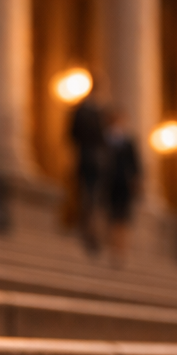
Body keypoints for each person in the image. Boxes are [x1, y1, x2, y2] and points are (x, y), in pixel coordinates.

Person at [69, 89, 107, 255]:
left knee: (92, 197)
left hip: (92, 162)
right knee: (88, 196)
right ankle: (88, 232)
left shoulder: (99, 112)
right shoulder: (88, 112)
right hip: (88, 161)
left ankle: (92, 233)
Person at [103, 107, 141, 267]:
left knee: (123, 218)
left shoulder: (128, 142)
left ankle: (121, 250)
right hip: (108, 183)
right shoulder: (104, 140)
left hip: (124, 185)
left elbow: (136, 165)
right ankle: (112, 247)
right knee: (110, 216)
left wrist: (136, 182)